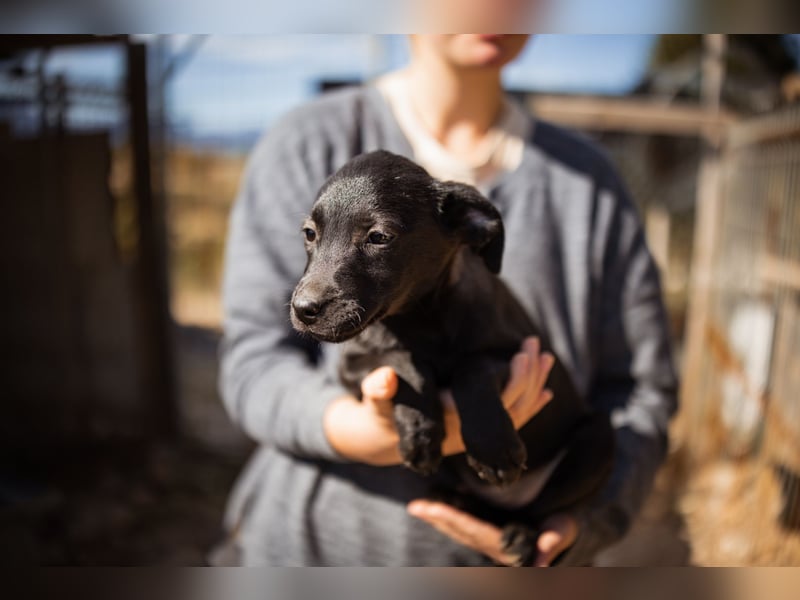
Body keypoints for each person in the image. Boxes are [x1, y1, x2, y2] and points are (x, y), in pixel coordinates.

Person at [216, 34, 678, 566]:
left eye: (379, 238)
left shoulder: (590, 184)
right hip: (312, 551)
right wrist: (360, 433)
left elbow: (641, 392)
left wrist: (576, 529)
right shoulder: (307, 141)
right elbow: (254, 359)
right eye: (312, 237)